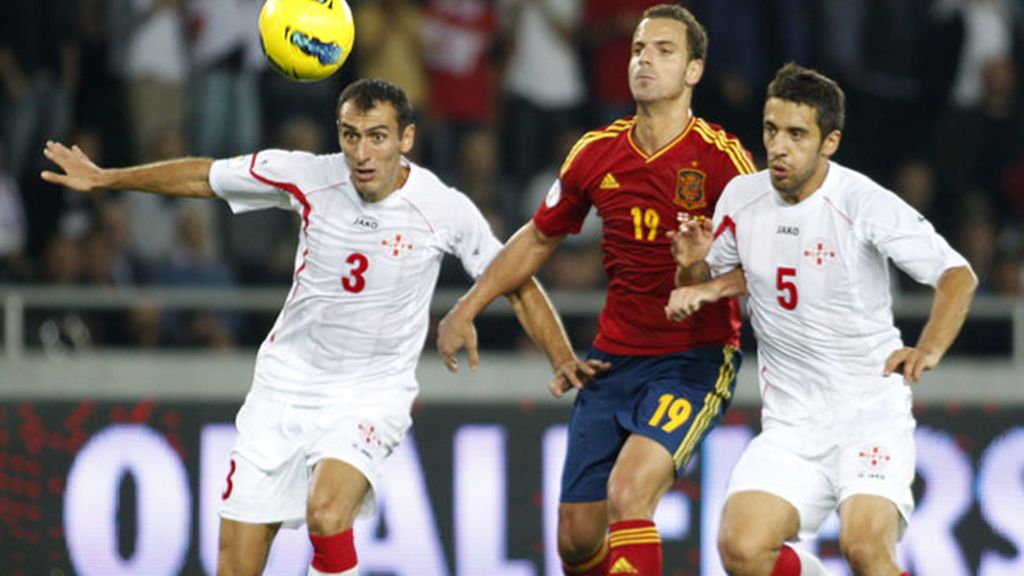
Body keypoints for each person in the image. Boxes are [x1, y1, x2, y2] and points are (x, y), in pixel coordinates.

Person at [41, 78, 574, 576]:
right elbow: (206, 175)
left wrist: (561, 357)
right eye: (350, 136)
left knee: (327, 512)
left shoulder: (444, 208)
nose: (362, 154)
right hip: (283, 389)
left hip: (370, 394)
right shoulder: (307, 175)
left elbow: (516, 279)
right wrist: (110, 178)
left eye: (377, 137)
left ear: (406, 138)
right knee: (236, 565)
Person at [437, 5, 755, 575]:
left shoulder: (723, 161)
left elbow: (761, 263)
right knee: (577, 539)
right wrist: (468, 306)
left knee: (629, 493)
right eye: (638, 49)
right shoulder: (596, 152)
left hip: (693, 360)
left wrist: (701, 280)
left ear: (693, 71)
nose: (644, 60)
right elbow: (537, 239)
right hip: (612, 360)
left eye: (663, 50)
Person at [665, 63, 978, 575]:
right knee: (741, 548)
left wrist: (929, 349)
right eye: (771, 130)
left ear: (829, 141)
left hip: (869, 415)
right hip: (791, 424)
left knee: (864, 549)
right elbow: (725, 280)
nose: (778, 147)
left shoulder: (861, 202)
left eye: (796, 134)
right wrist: (692, 268)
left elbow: (956, 275)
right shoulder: (742, 199)